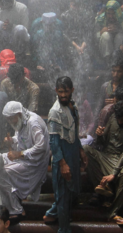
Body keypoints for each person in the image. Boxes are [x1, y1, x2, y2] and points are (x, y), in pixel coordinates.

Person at [82, 100, 123, 225]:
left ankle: (113, 211)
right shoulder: (113, 117)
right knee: (85, 149)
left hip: (121, 160)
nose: (120, 122)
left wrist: (114, 173)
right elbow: (103, 143)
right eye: (118, 119)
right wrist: (100, 135)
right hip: (106, 155)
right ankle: (103, 187)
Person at [41, 77, 86, 232]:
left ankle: (50, 214)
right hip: (62, 158)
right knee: (63, 195)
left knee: (72, 192)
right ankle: (64, 229)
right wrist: (62, 163)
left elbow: (75, 132)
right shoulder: (55, 112)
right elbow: (54, 142)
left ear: (72, 90)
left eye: (66, 91)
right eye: (60, 92)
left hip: (73, 154)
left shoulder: (73, 106)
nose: (63, 95)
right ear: (56, 91)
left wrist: (81, 151)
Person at [0, 101, 50, 220]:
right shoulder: (21, 121)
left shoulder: (33, 122)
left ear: (18, 114)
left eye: (12, 119)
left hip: (35, 163)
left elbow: (41, 147)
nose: (10, 122)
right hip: (23, 159)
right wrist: (12, 140)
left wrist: (20, 154)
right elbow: (21, 139)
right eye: (8, 119)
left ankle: (16, 209)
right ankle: (6, 201)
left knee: (3, 172)